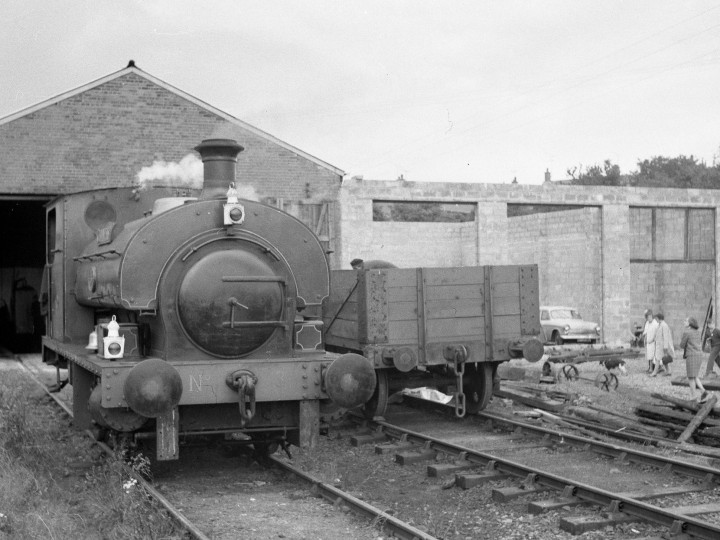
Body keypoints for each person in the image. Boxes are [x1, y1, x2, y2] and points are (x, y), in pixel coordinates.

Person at [679, 317, 709, 403]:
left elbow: (681, 345)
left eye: (685, 321)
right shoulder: (698, 332)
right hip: (699, 355)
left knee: (690, 377)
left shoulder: (687, 332)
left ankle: (693, 397)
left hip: (691, 356)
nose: (684, 322)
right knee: (695, 375)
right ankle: (703, 391)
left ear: (689, 324)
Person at [653, 313, 674, 377]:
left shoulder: (664, 325)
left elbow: (666, 337)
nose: (655, 320)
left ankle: (654, 372)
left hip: (662, 346)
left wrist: (665, 347)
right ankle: (668, 371)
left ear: (658, 318)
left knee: (658, 359)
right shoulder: (660, 325)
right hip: (659, 345)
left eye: (656, 318)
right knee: (664, 359)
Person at [641, 309, 659, 374]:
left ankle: (654, 368)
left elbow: (657, 333)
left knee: (653, 356)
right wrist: (645, 339)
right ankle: (650, 368)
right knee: (649, 355)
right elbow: (645, 332)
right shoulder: (647, 323)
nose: (649, 318)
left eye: (650, 317)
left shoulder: (655, 323)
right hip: (648, 342)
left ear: (652, 316)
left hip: (653, 342)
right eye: (648, 317)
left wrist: (653, 340)